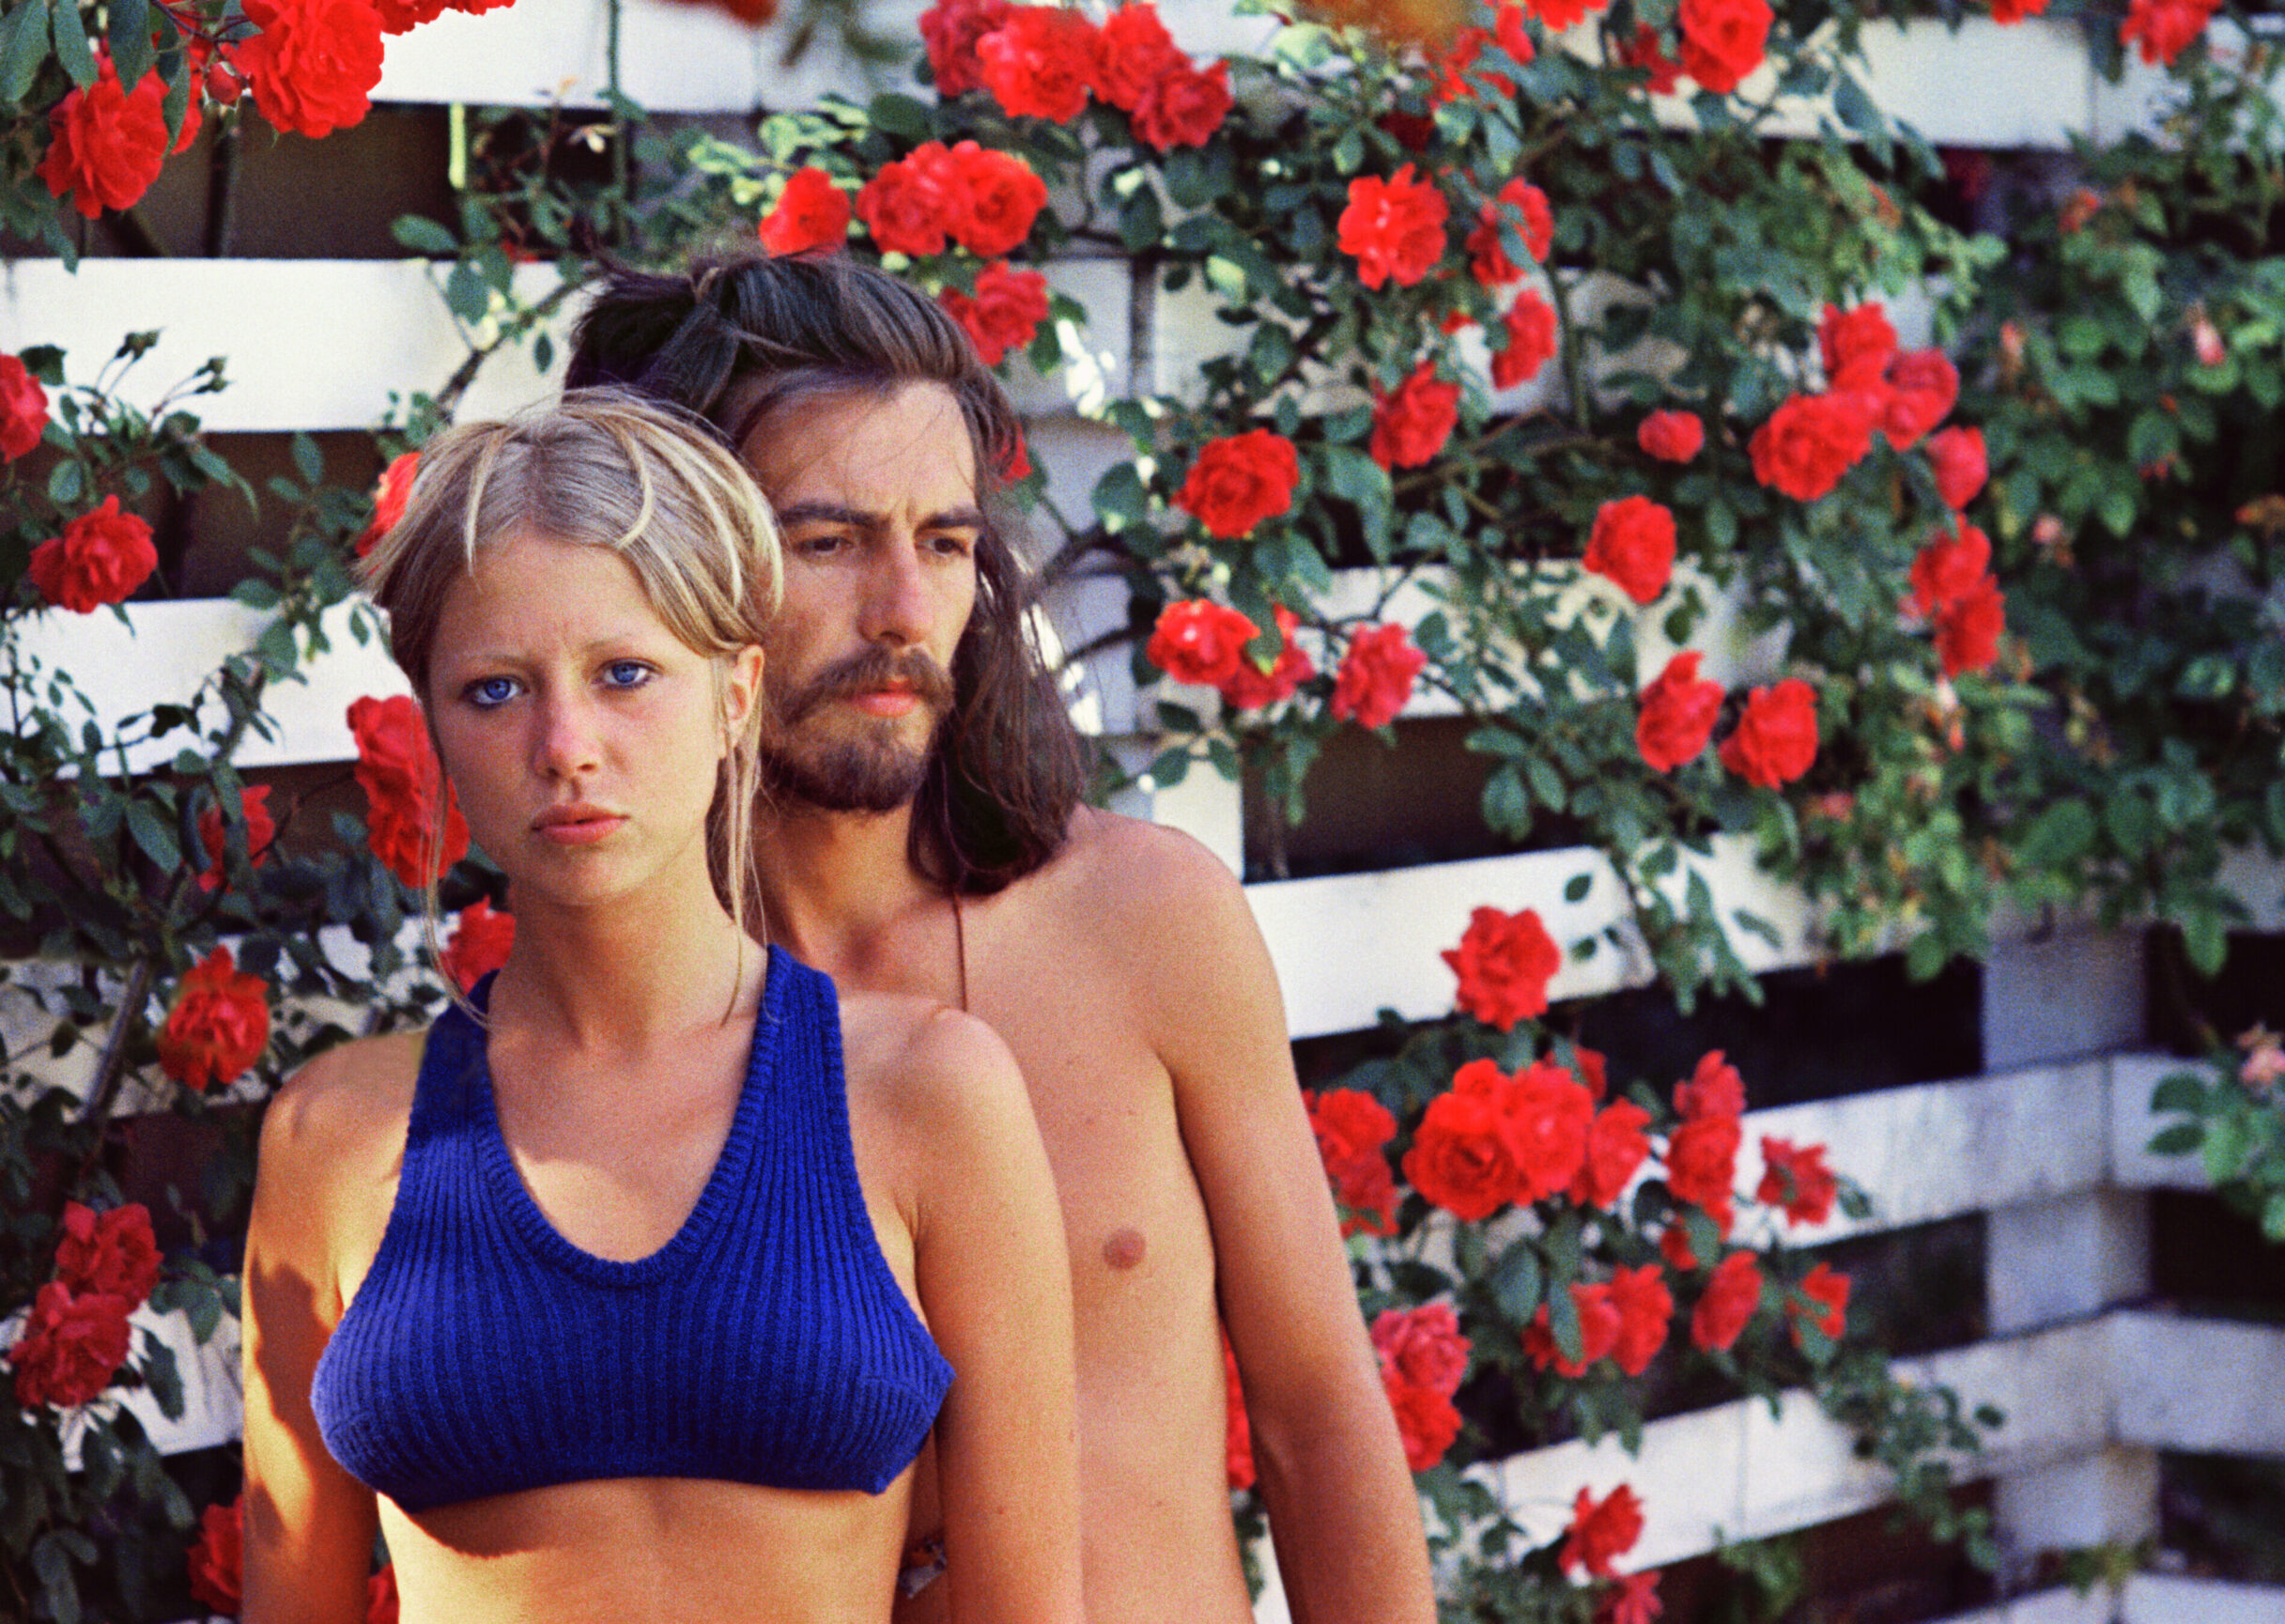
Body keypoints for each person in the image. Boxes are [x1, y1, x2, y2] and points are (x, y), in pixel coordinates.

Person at [565, 255, 1436, 1624]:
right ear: (670, 570)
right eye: (829, 540)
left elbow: (1321, 1419)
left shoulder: (1145, 923)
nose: (906, 610)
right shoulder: (610, 1026)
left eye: (949, 542)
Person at [239, 393, 1083, 1624]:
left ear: (737, 693)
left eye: (625, 673)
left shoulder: (926, 1093)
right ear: (433, 727)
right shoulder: (334, 1139)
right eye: (494, 690)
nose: (567, 742)